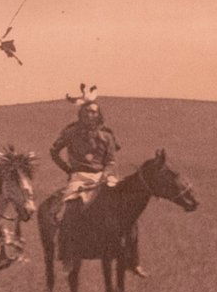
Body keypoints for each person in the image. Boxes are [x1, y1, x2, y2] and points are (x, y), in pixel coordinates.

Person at [50, 85, 147, 277]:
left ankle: (133, 260)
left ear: (98, 114)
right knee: (70, 208)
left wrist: (106, 174)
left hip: (104, 175)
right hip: (79, 176)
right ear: (81, 113)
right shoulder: (71, 132)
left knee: (129, 212)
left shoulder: (107, 135)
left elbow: (111, 160)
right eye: (87, 111)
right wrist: (68, 170)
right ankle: (67, 254)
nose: (90, 115)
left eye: (93, 112)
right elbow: (54, 151)